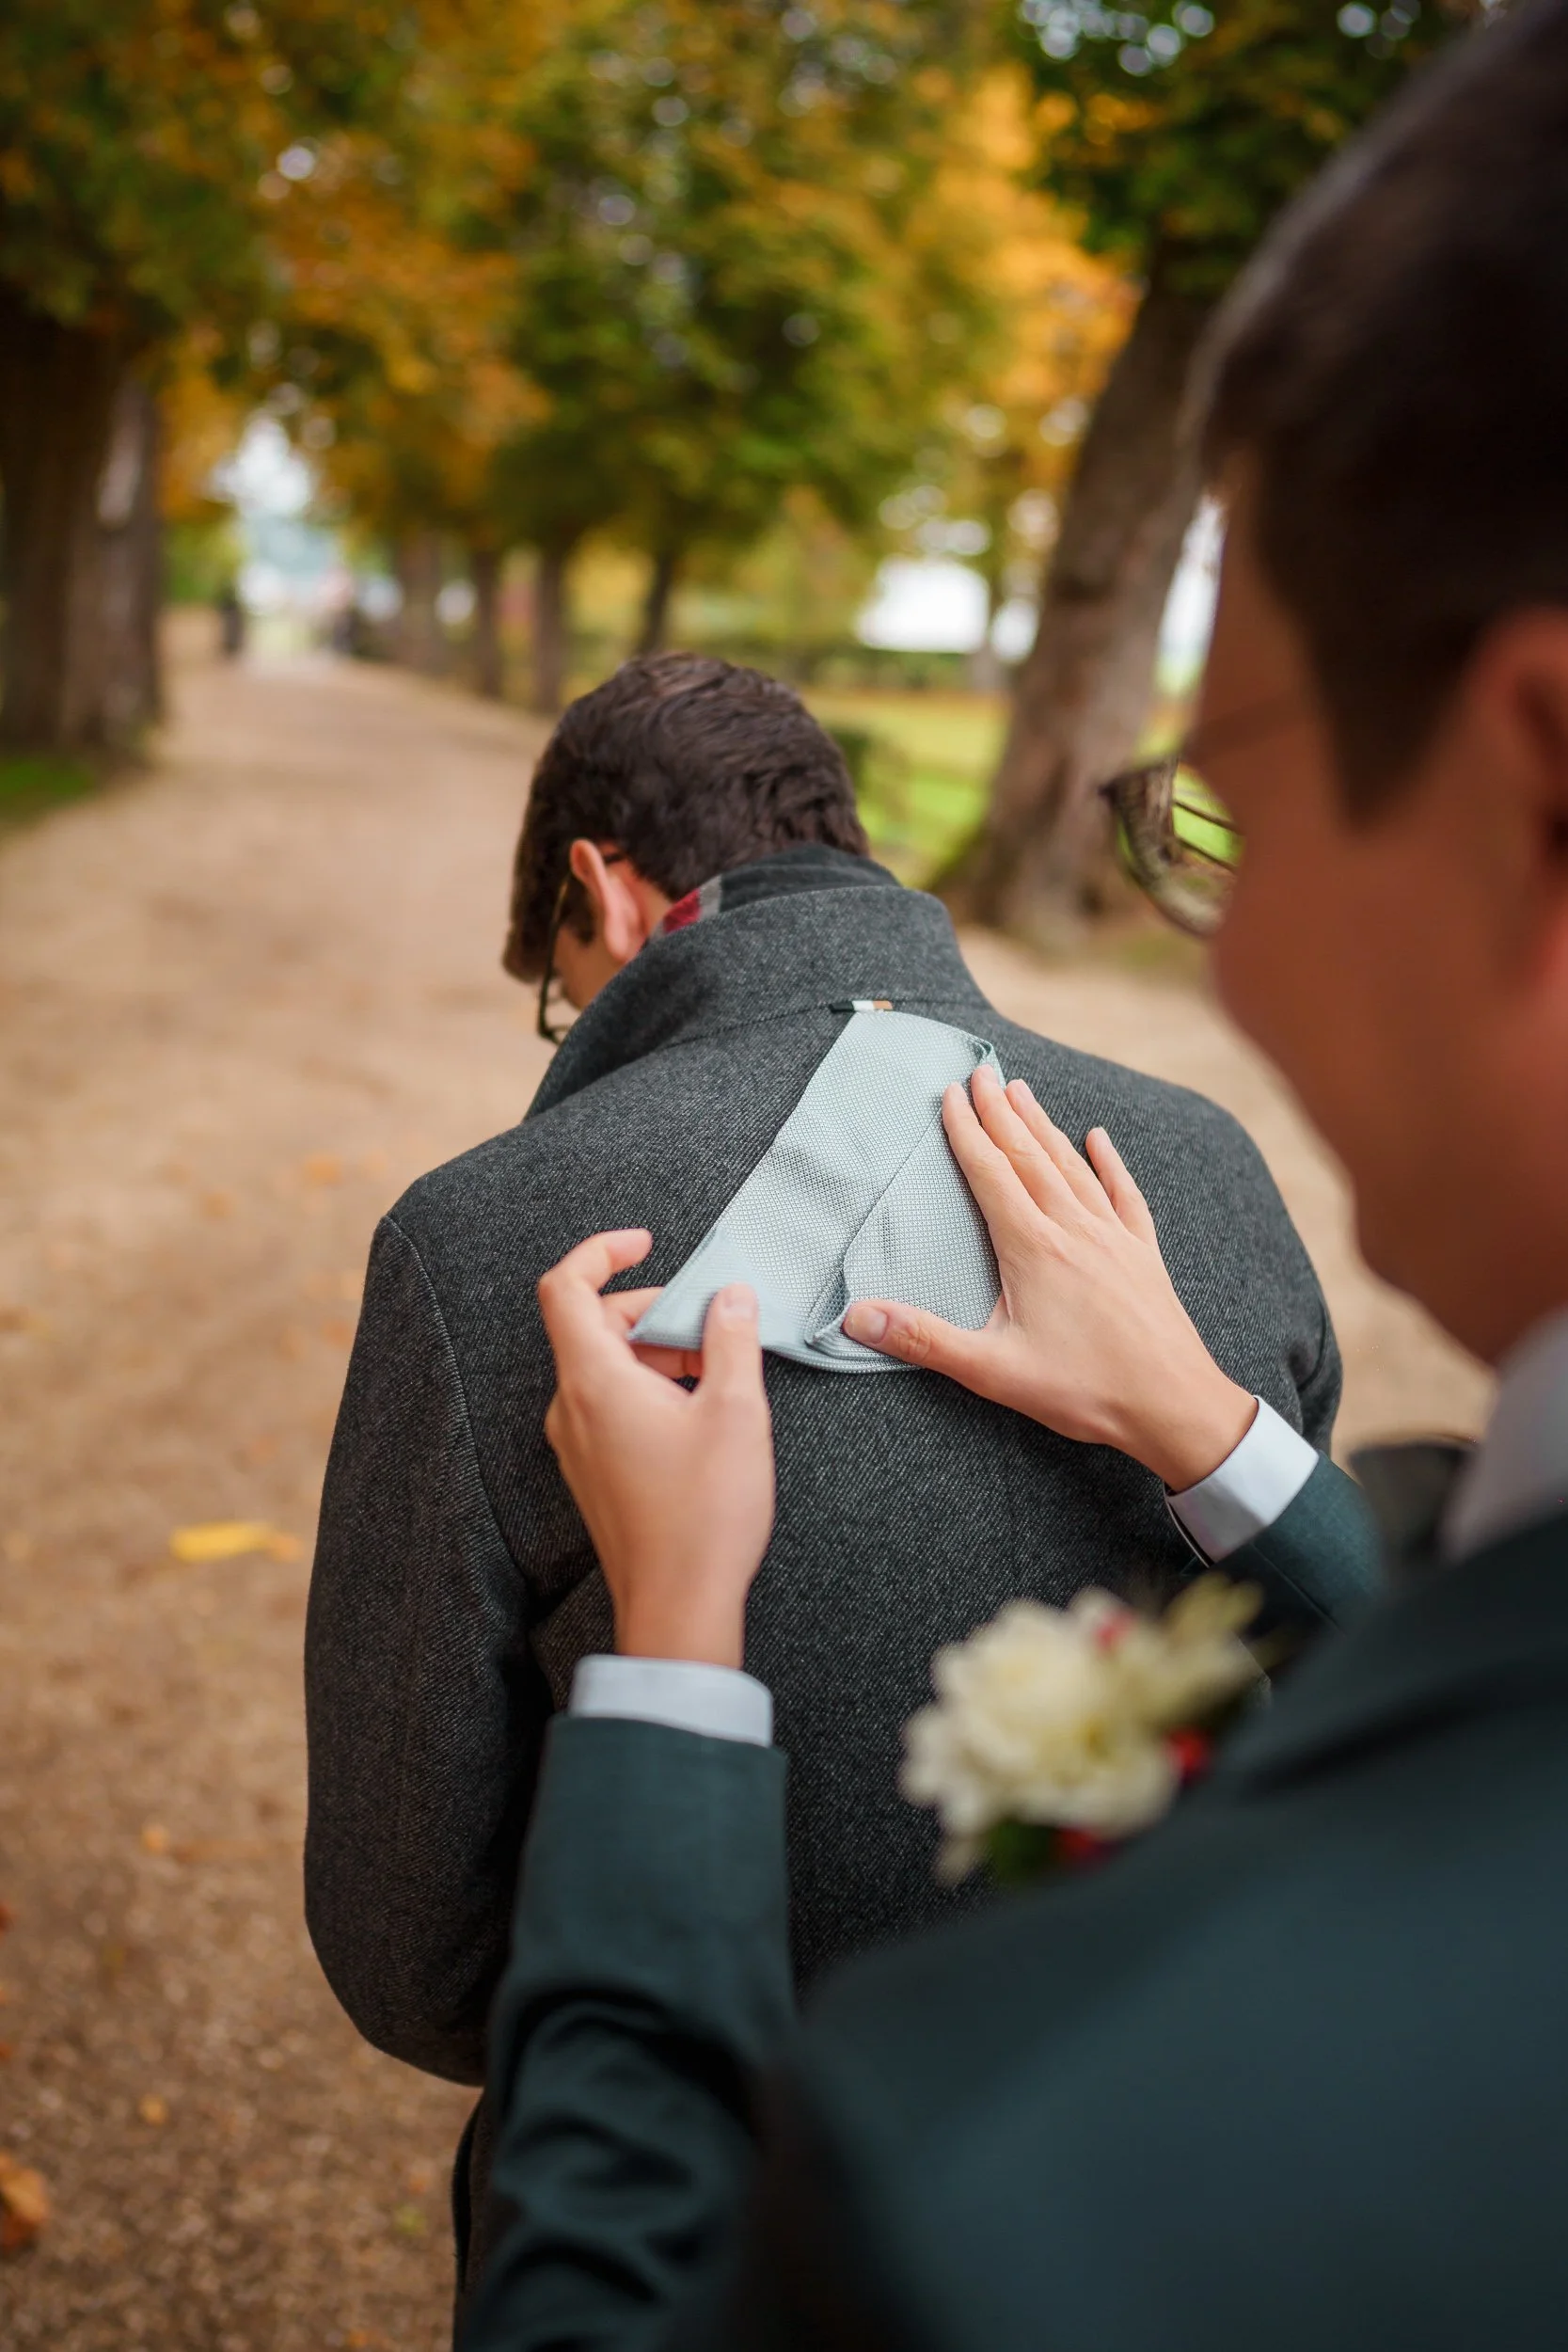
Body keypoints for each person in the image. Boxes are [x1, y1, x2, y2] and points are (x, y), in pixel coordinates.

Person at [463, 7, 1568, 2345]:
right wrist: (1220, 1443)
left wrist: (669, 1670)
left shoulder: (983, 2203)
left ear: (1537, 773)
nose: (1226, 940)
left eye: (1216, 795)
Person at [305, 653, 1354, 2296]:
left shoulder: (478, 1239)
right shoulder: (1201, 1167)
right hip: (1172, 2183)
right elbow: (1327, 1704)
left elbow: (408, 1950)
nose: (570, 1028)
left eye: (559, 985)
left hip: (708, 2222)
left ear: (605, 889)